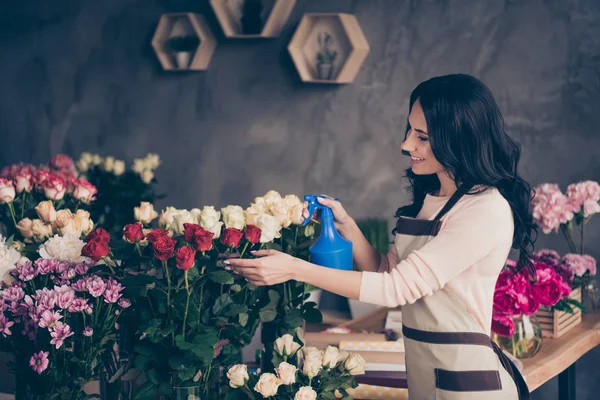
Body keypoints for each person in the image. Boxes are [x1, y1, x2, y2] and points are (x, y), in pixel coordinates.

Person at [224, 74, 537, 399]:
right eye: (409, 130)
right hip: (424, 375)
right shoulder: (434, 197)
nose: (406, 145)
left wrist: (293, 269)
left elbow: (396, 289)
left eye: (422, 137)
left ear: (459, 139)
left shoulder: (484, 211)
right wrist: (347, 226)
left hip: (468, 386)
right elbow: (388, 272)